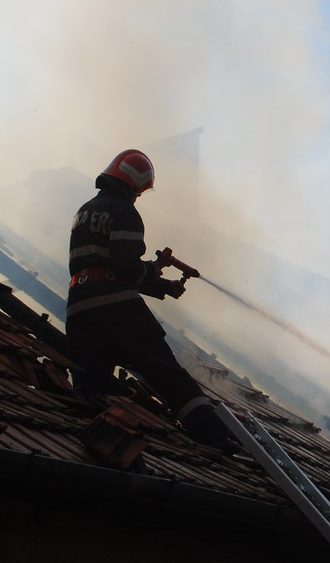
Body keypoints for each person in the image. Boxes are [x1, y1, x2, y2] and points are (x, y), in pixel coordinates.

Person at [66, 149, 235, 452]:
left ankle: (82, 426)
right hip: (118, 311)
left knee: (90, 383)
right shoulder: (124, 212)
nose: (138, 197)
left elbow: (103, 267)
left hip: (80, 309)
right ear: (133, 185)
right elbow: (126, 267)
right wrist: (159, 279)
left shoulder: (83, 210)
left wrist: (158, 282)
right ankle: (214, 436)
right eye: (139, 192)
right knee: (166, 372)